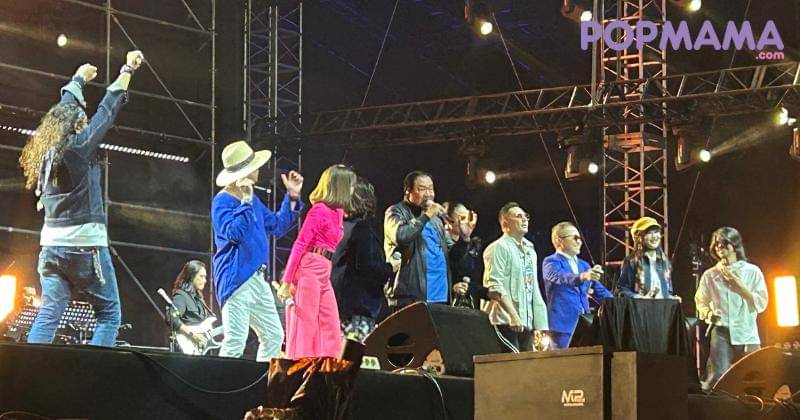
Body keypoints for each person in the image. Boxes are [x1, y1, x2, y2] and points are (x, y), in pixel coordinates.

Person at [21, 51, 145, 347]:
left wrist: (78, 80)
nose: (86, 123)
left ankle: (29, 370)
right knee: (109, 315)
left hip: (51, 247)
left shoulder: (46, 153)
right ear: (77, 125)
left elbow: (63, 110)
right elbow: (107, 110)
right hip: (83, 245)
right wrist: (128, 69)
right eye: (83, 121)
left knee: (49, 313)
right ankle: (94, 372)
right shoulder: (77, 149)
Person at [212, 140, 304, 362]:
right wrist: (244, 201)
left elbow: (277, 225)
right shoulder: (222, 201)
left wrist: (292, 197)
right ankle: (220, 383)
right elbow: (235, 233)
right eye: (255, 165)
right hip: (236, 277)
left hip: (256, 277)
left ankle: (262, 381)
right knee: (235, 339)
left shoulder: (253, 200)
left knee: (273, 335)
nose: (259, 169)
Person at [278, 165, 357, 358]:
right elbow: (300, 244)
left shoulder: (338, 212)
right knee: (306, 326)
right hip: (309, 268)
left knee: (331, 326)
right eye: (350, 185)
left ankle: (327, 367)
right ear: (340, 187)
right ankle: (301, 366)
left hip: (324, 270)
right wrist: (286, 282)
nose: (353, 190)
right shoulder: (319, 210)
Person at [384, 171, 472, 311]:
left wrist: (464, 239)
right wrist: (427, 215)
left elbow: (451, 258)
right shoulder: (396, 212)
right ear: (407, 190)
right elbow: (401, 237)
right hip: (410, 298)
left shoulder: (436, 221)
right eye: (422, 189)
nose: (428, 194)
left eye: (431, 189)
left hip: (441, 297)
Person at [695, 227, 768, 391]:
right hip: (722, 330)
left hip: (747, 330)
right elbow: (700, 301)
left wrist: (740, 287)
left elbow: (762, 303)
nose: (720, 247)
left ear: (734, 244)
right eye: (716, 244)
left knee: (755, 375)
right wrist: (708, 313)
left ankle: (755, 404)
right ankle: (714, 403)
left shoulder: (752, 272)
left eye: (724, 243)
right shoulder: (710, 275)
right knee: (718, 375)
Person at [333, 178, 399, 342]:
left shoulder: (338, 226)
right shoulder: (362, 229)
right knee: (355, 353)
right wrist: (390, 268)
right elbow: (367, 266)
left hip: (337, 304)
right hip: (358, 307)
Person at [482, 202, 548, 352]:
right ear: (505, 223)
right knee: (512, 362)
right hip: (504, 322)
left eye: (526, 216)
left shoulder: (530, 249)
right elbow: (494, 285)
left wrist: (540, 325)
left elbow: (533, 287)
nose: (524, 219)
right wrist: (513, 315)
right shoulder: (498, 247)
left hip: (526, 323)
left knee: (529, 363)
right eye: (518, 216)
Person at [543, 222, 613, 349]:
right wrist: (583, 276)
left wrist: (619, 303)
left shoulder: (584, 265)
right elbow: (561, 278)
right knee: (566, 360)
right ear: (559, 240)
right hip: (563, 326)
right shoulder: (551, 262)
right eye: (575, 238)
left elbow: (600, 292)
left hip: (585, 324)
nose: (579, 242)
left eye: (580, 238)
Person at [616, 217, 679, 299]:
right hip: (641, 307)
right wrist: (640, 298)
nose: (654, 236)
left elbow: (668, 291)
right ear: (638, 237)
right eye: (649, 233)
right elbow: (622, 290)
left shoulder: (663, 261)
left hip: (662, 307)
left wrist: (672, 298)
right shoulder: (632, 261)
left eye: (656, 232)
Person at [444, 202, 486, 309]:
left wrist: (486, 292)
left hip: (469, 304)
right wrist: (451, 288)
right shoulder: (440, 242)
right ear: (448, 219)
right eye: (462, 218)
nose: (465, 222)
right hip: (447, 304)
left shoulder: (474, 244)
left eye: (467, 218)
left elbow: (474, 279)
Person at [167, 260, 213, 350]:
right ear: (191, 276)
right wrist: (192, 335)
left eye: (205, 277)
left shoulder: (199, 298)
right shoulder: (181, 296)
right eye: (201, 276)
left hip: (200, 348)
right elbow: (171, 318)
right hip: (187, 346)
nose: (205, 280)